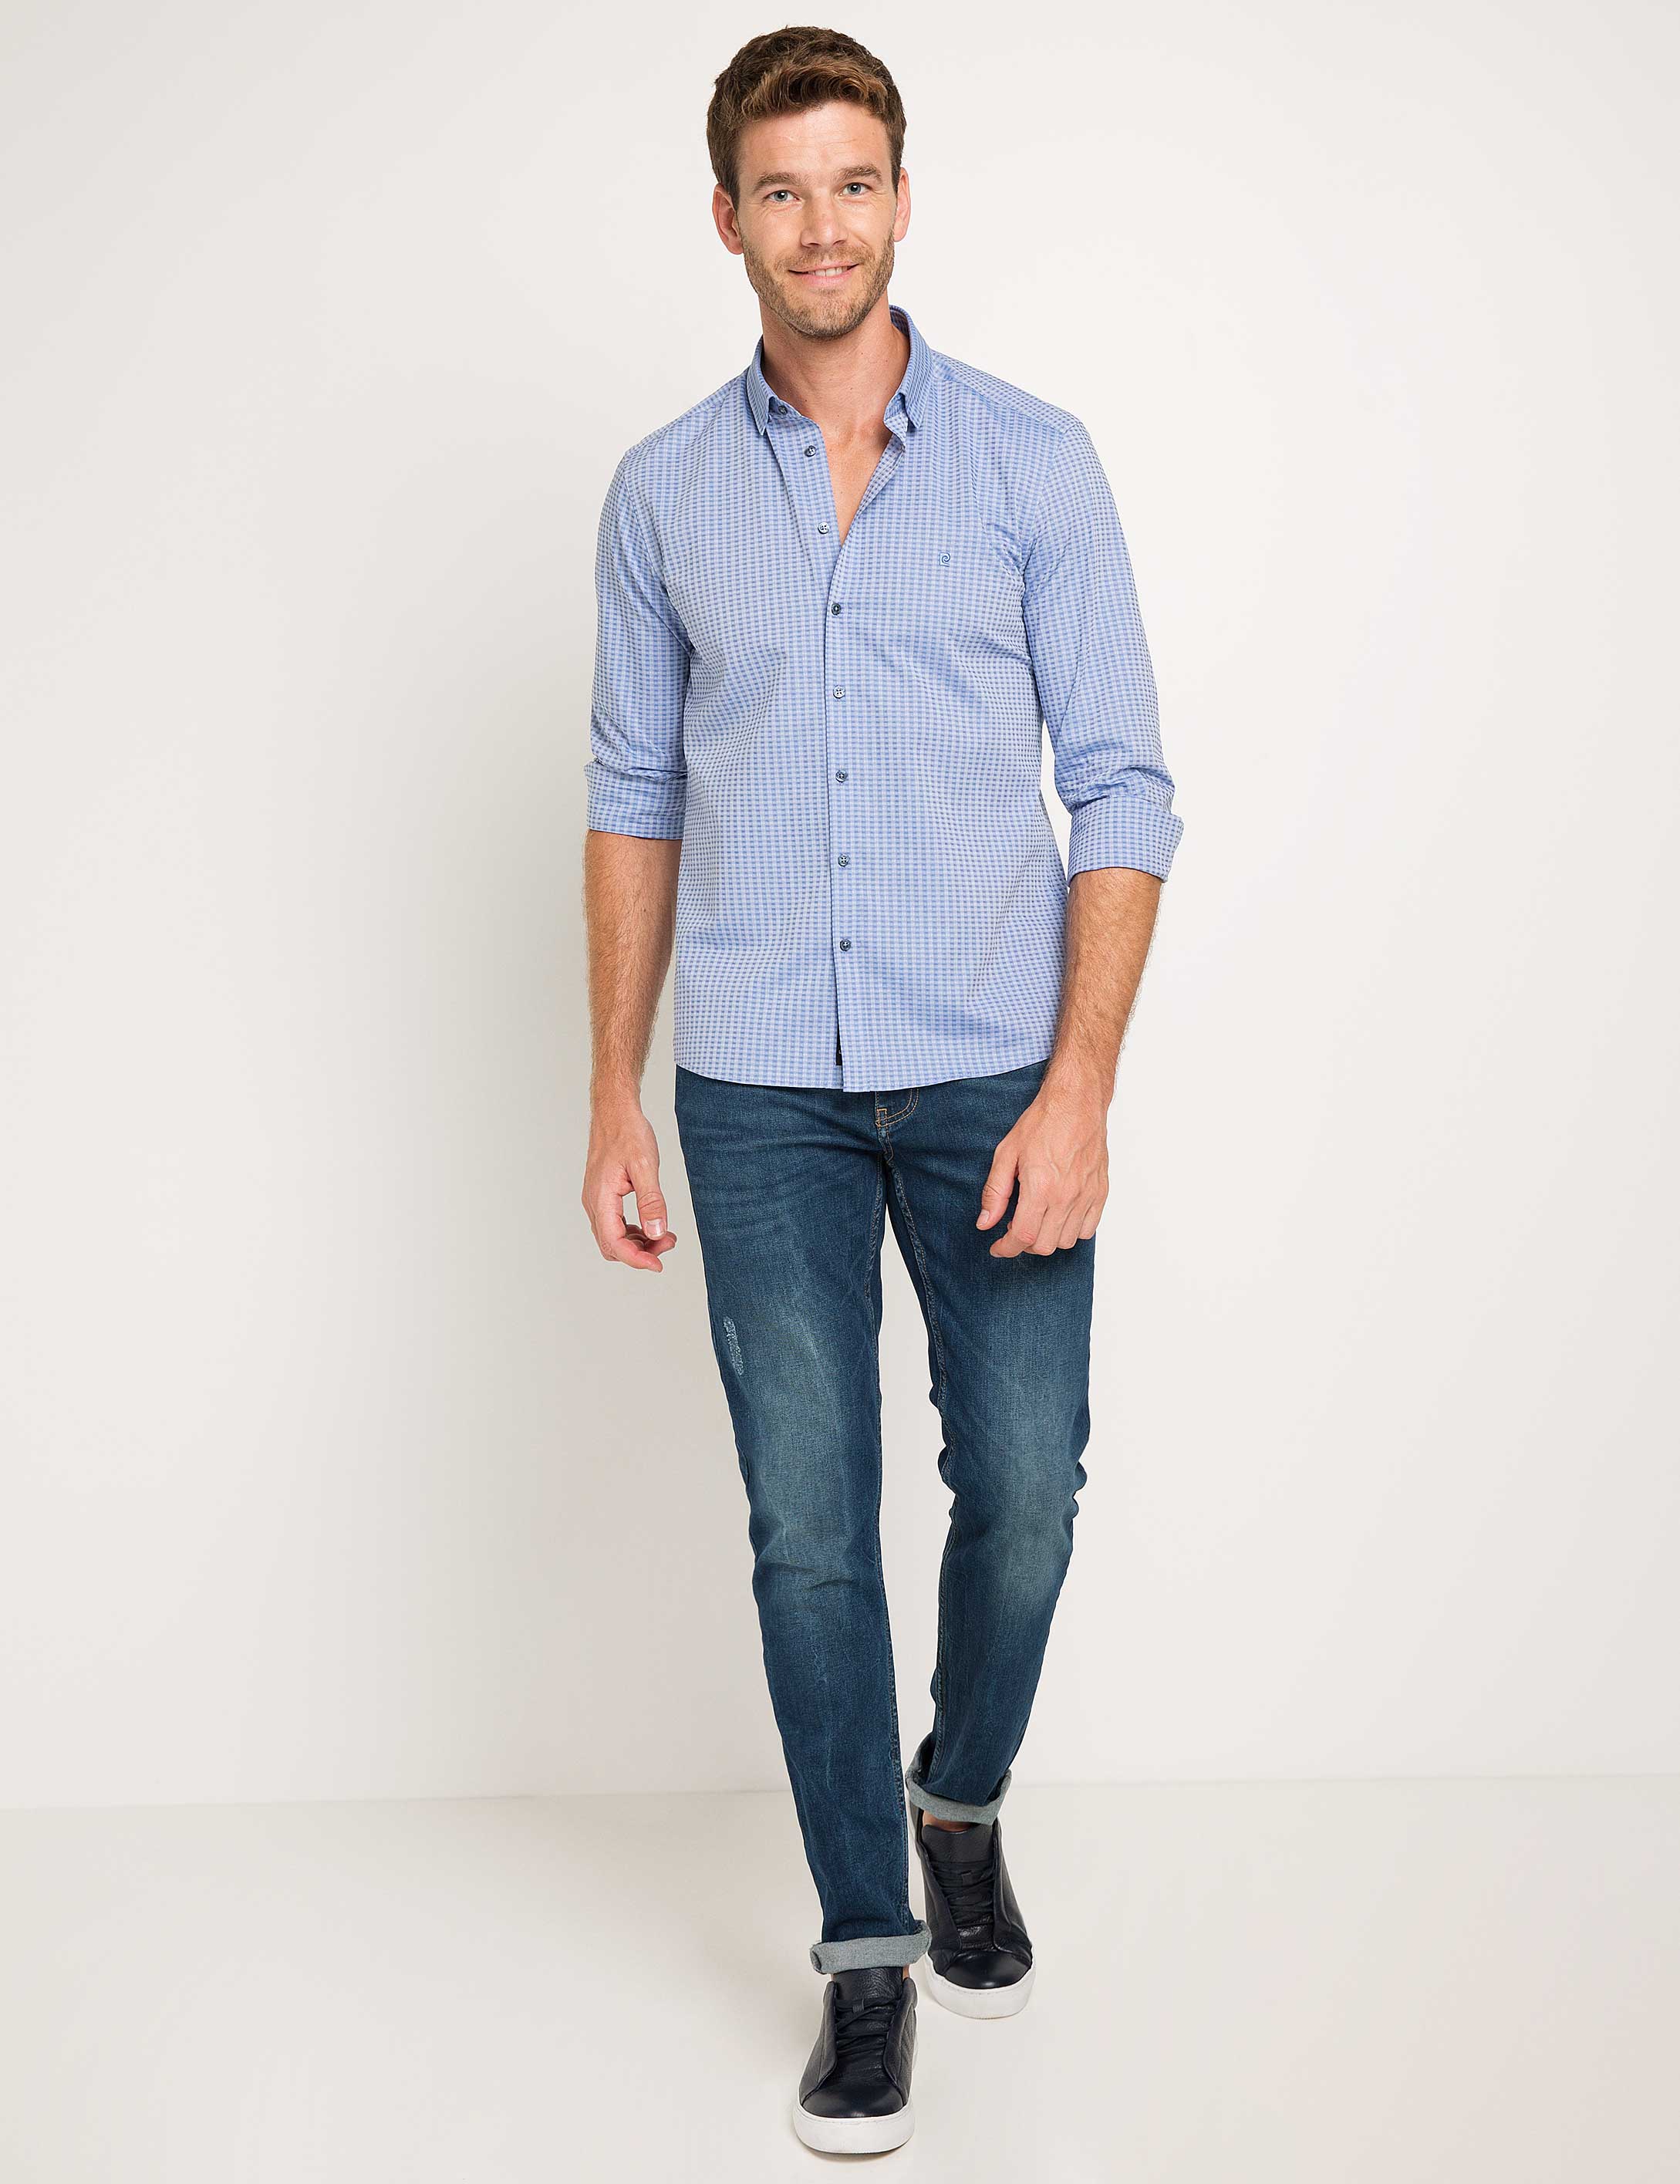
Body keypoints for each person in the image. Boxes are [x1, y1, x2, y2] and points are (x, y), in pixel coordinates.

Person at [580, 25, 1183, 2156]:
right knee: (808, 1534)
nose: (820, 226)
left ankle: (962, 1801)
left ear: (903, 200)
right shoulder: (663, 495)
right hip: (757, 1090)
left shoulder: (1031, 463)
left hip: (996, 1072)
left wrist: (1079, 1086)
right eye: (781, 189)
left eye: (853, 183)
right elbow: (631, 794)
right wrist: (612, 1090)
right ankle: (866, 1949)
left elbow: (1124, 787)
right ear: (726, 218)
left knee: (1024, 1492)